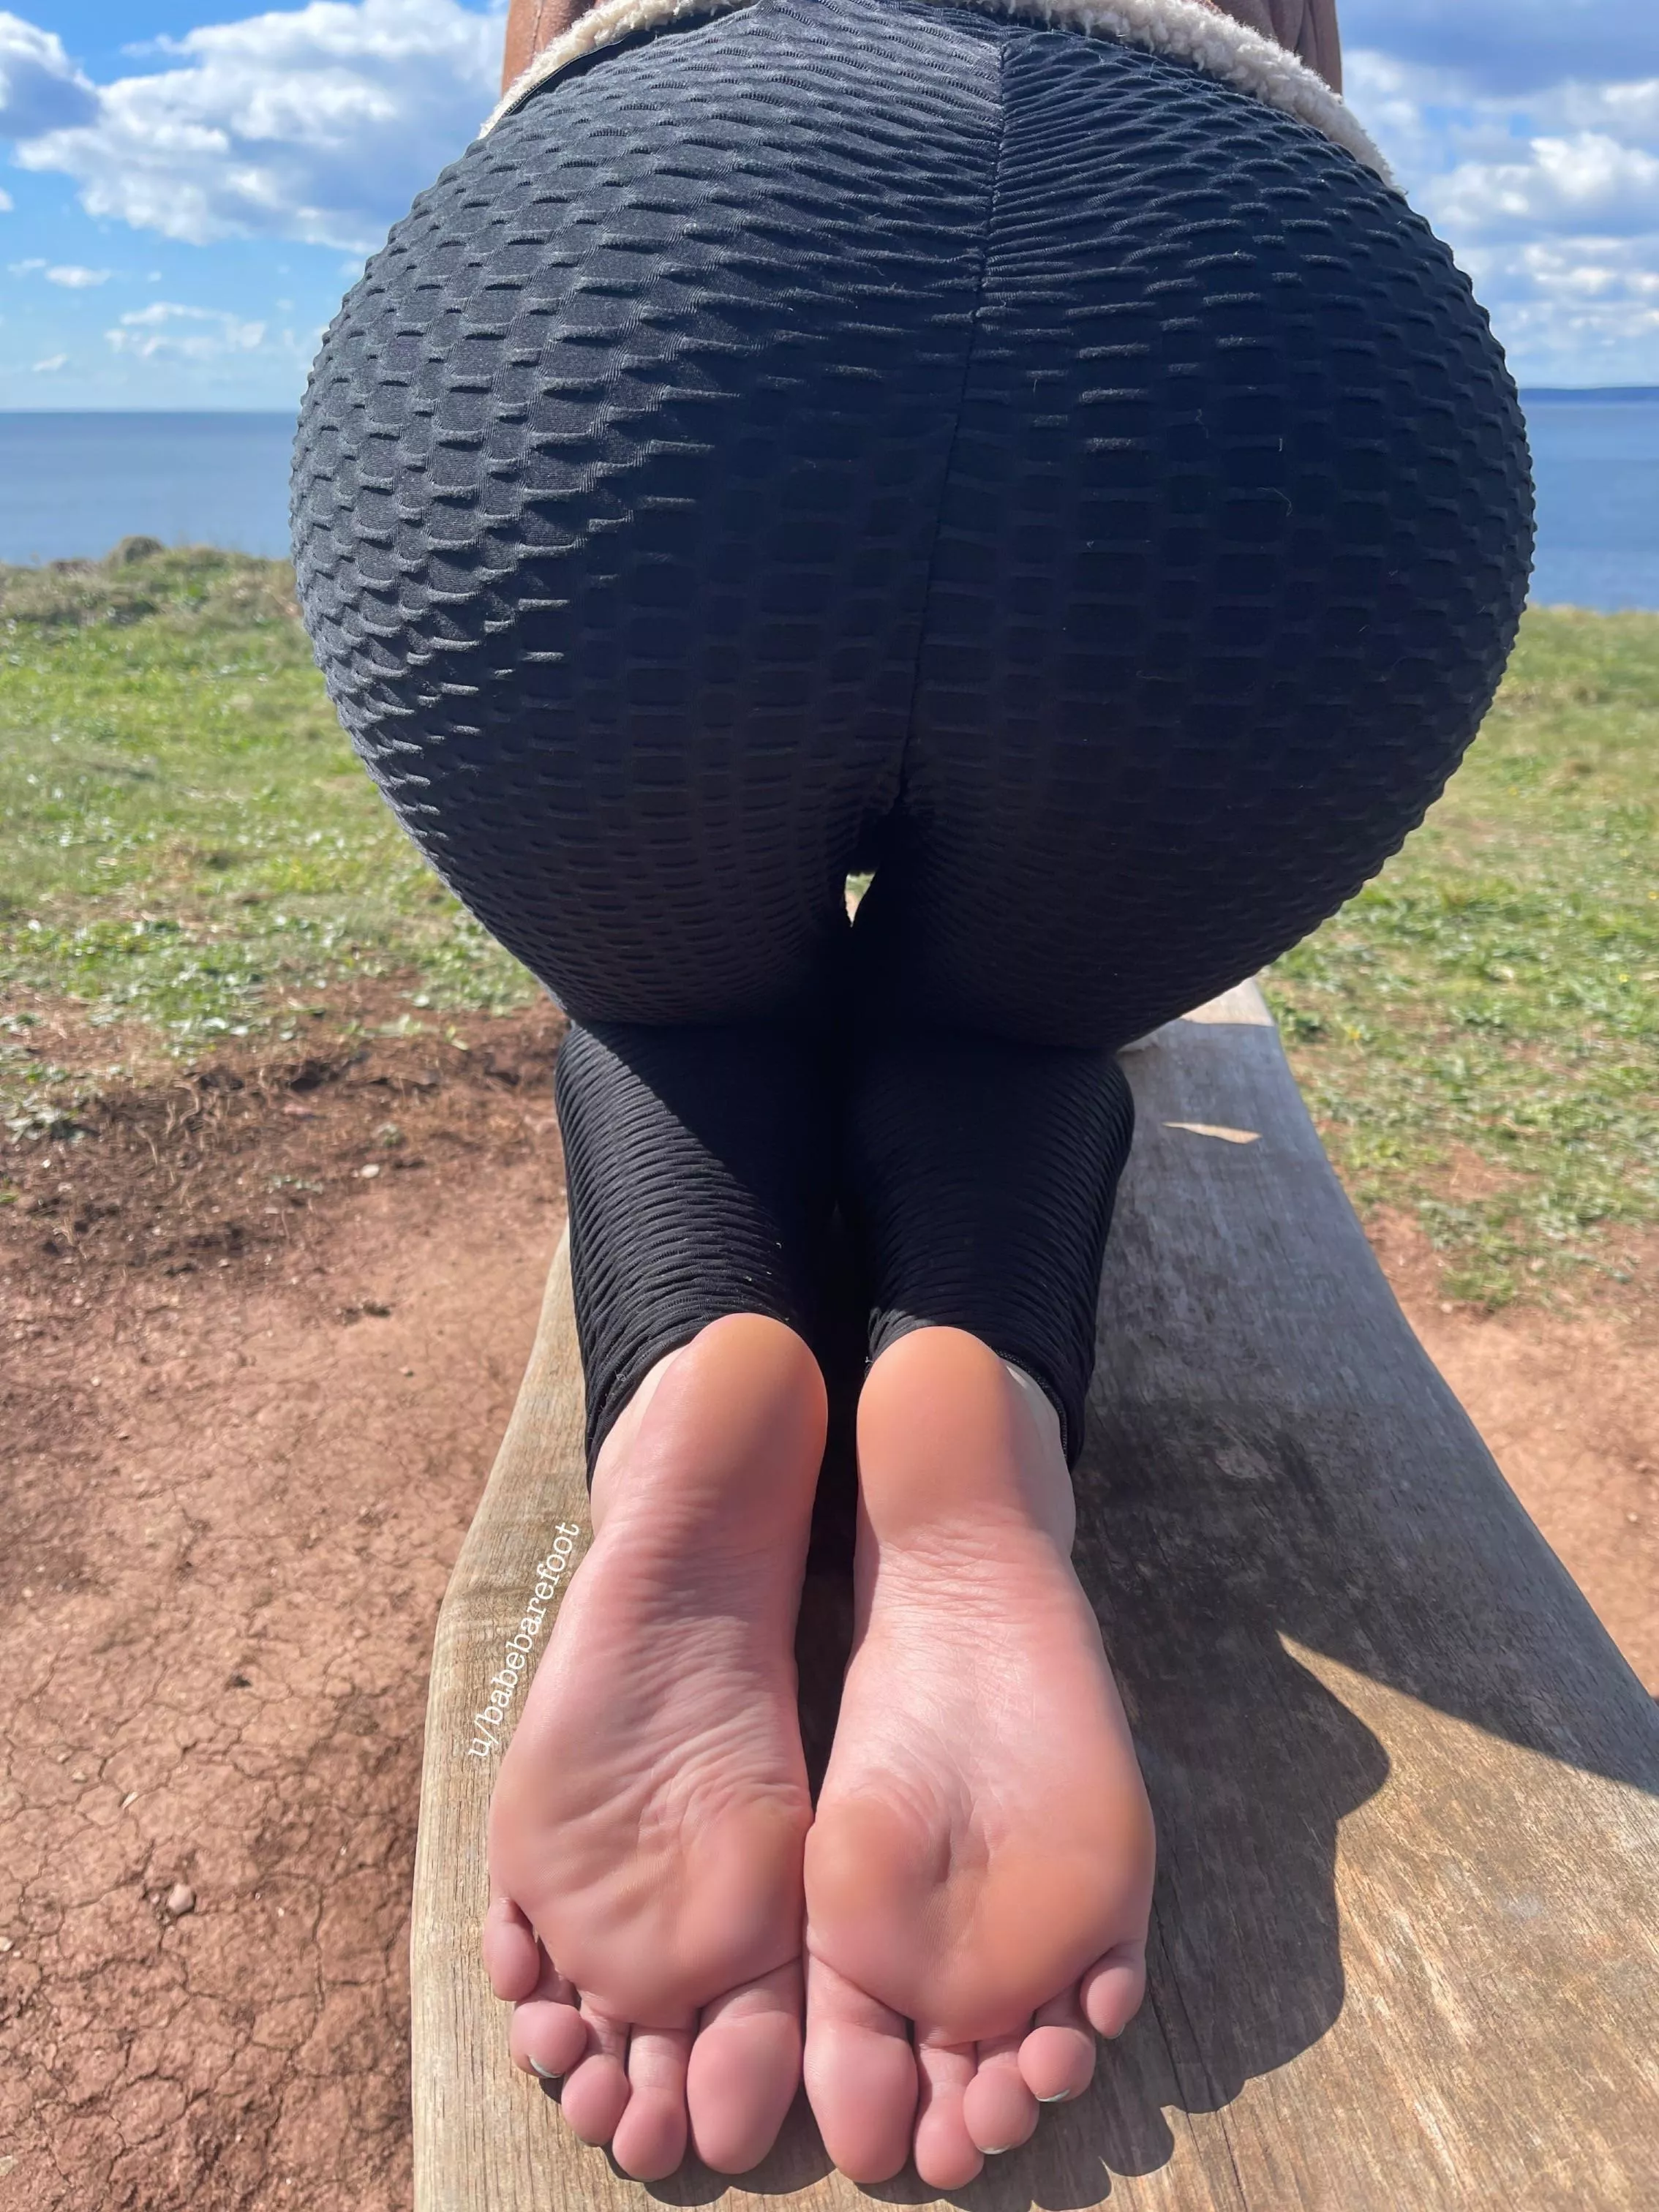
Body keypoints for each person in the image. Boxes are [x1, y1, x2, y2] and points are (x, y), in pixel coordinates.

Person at [291, 0, 1532, 2186]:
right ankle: (979, 1413)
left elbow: (541, 73)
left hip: (626, 303)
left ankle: (699, 1378)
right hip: (1264, 383)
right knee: (1007, 1029)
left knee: (683, 1002)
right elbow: (1295, 82)